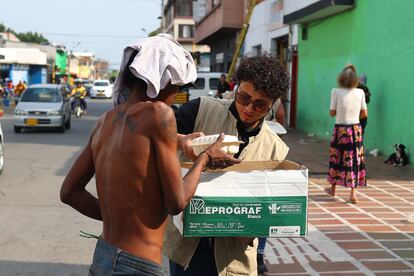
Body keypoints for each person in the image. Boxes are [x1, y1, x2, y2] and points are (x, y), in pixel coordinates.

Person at [60, 34, 240, 276]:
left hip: (103, 256)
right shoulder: (160, 114)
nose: (176, 95)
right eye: (176, 88)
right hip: (136, 265)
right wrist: (204, 159)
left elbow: (69, 192)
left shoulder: (105, 122)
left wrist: (116, 215)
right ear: (161, 83)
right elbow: (176, 203)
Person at [166, 54, 291, 276]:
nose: (249, 108)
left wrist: (255, 227)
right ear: (236, 88)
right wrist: (181, 140)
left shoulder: (276, 149)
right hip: (188, 249)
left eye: (260, 104)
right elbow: (153, 132)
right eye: (243, 97)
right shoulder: (202, 109)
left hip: (234, 261)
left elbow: (270, 210)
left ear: (273, 104)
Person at [327, 64, 368, 204]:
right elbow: (364, 113)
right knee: (354, 159)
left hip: (340, 129)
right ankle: (353, 193)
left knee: (336, 157)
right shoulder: (360, 92)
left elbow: (332, 112)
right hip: (355, 129)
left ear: (341, 78)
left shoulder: (335, 91)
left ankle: (333, 189)